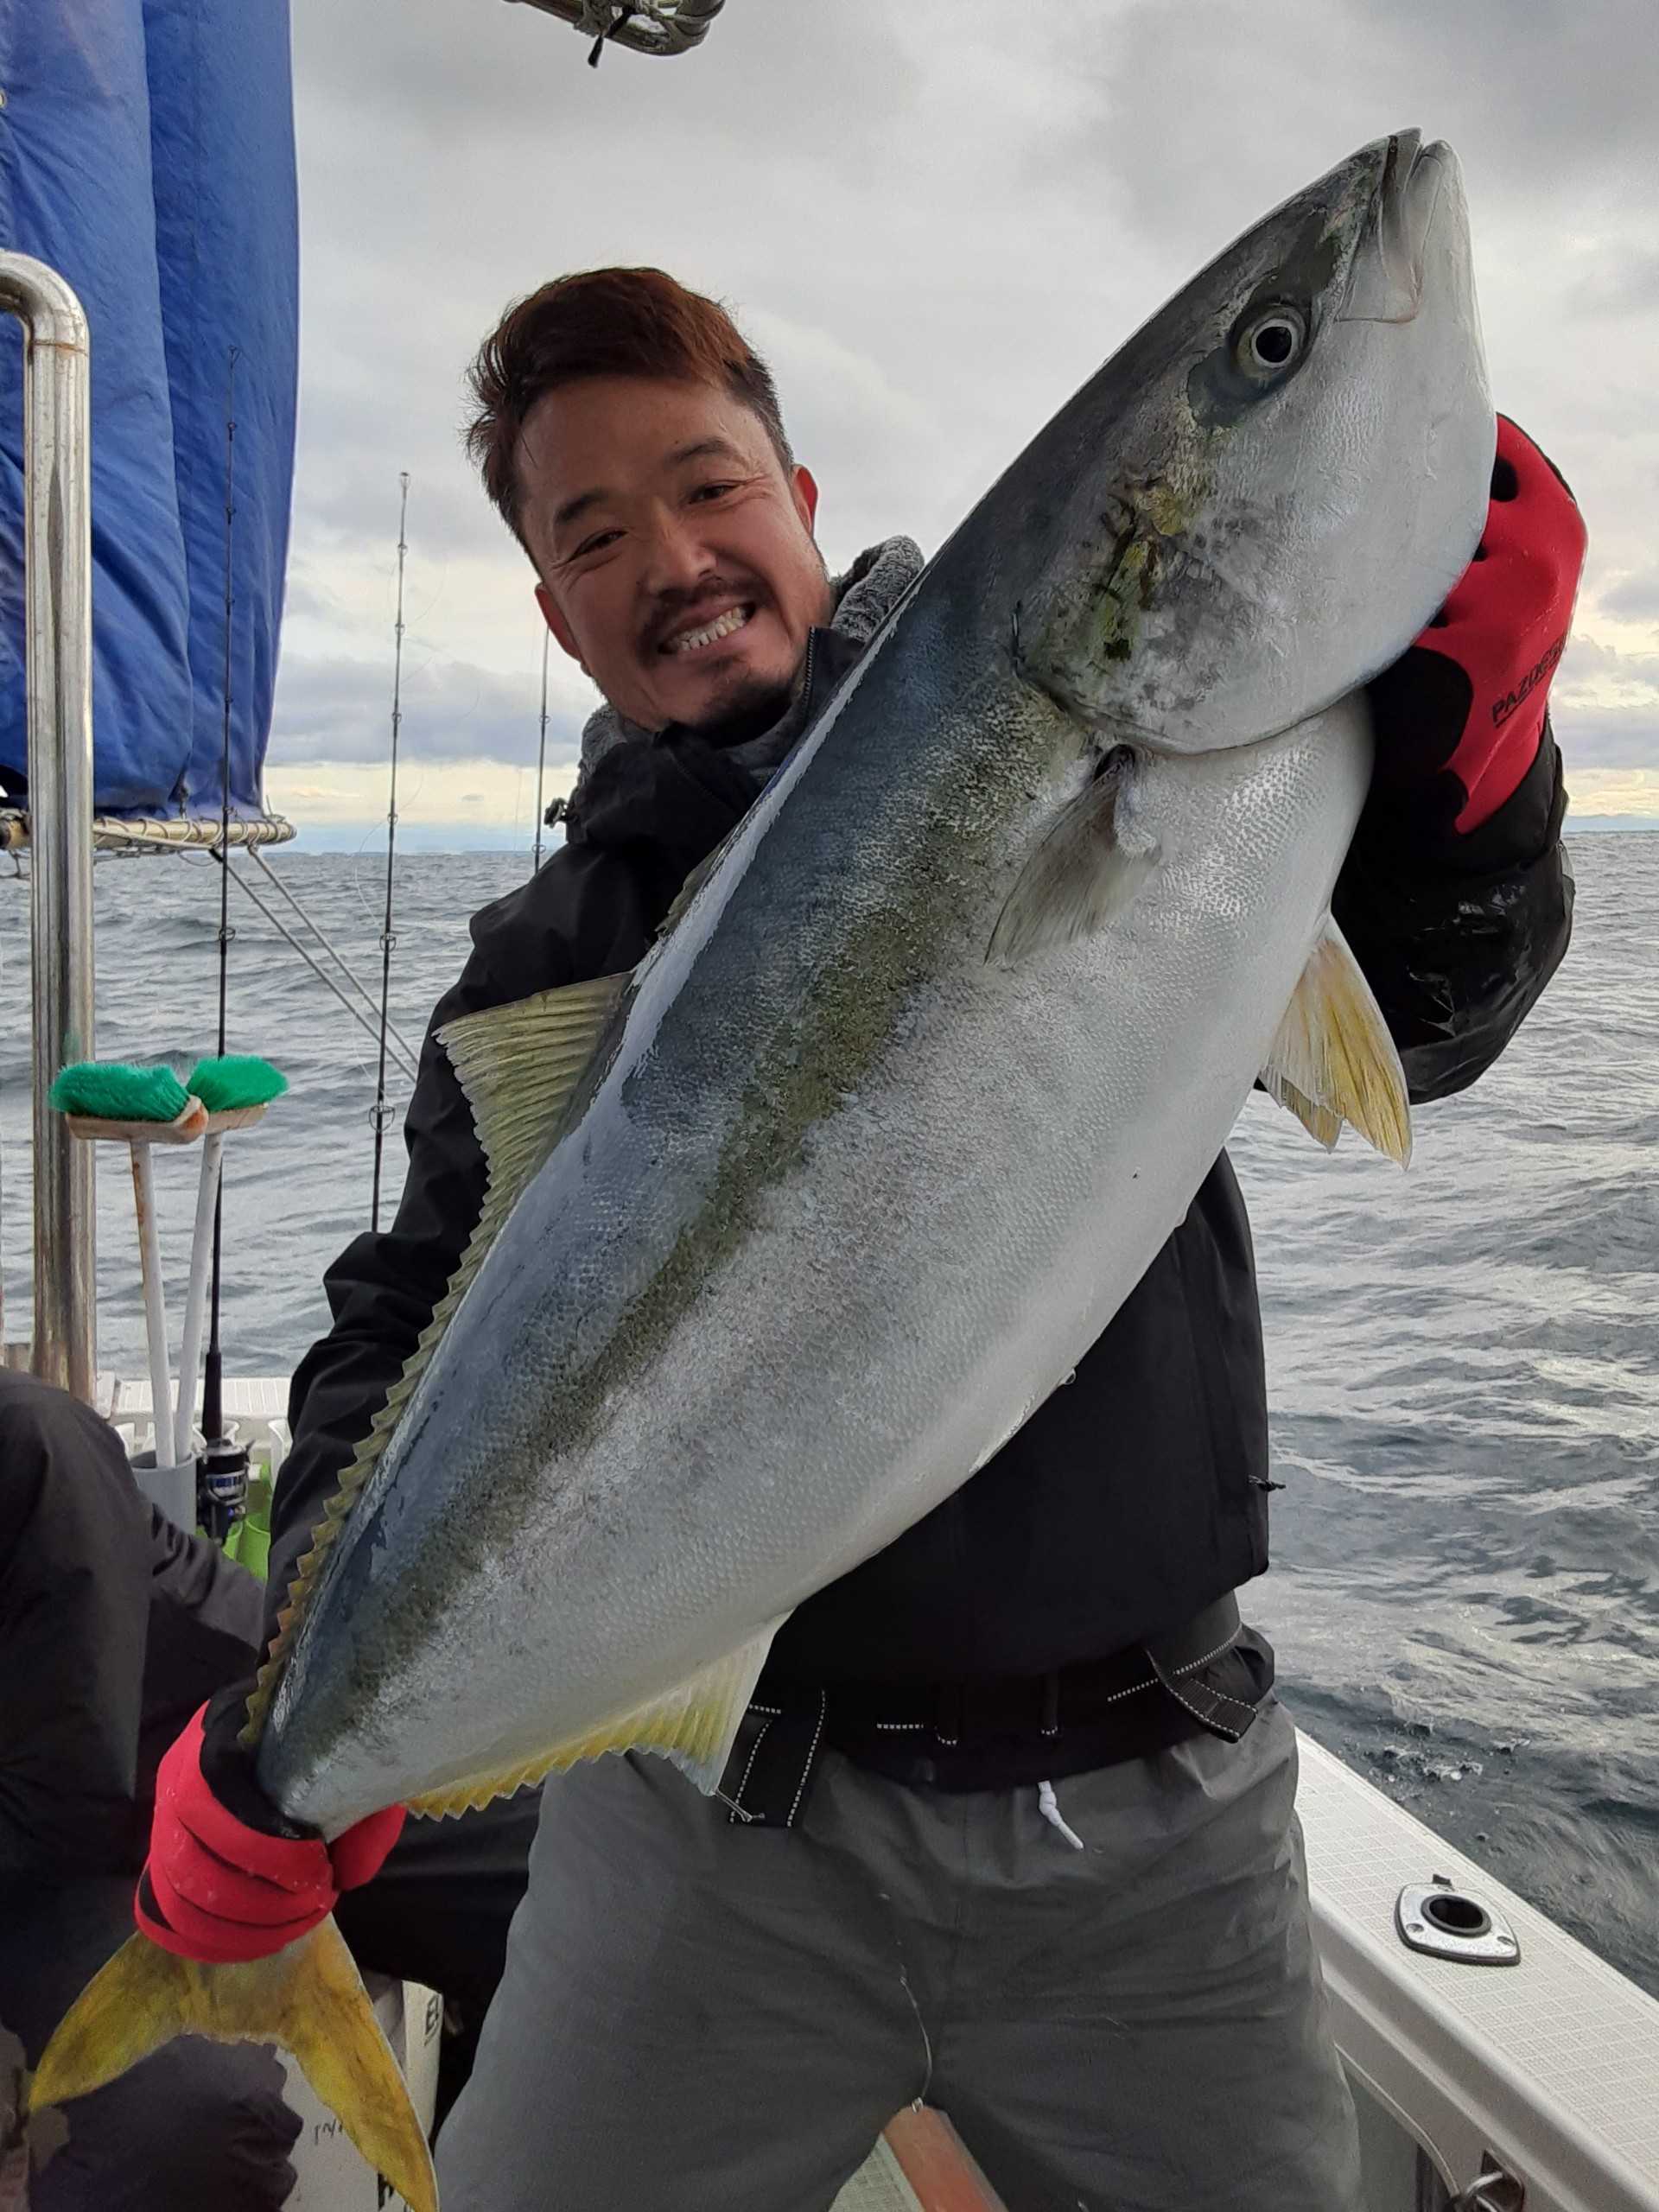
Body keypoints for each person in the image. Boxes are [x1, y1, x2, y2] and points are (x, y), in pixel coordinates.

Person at [135, 269, 1586, 2212]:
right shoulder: (545, 961)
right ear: (554, 612)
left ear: (803, 496)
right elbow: (398, 1331)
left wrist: (1475, 793)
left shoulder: (1131, 768)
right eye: (593, 533)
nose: (672, 555)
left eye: (708, 485)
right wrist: (294, 1694)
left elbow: (1419, 1015)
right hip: (704, 1842)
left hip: (1155, 1818)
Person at [0, 1368, 537, 2205]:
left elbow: (73, 1793)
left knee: (562, 1890)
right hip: (85, 1852)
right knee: (184, 2121)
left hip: (259, 1754)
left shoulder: (26, 1440)